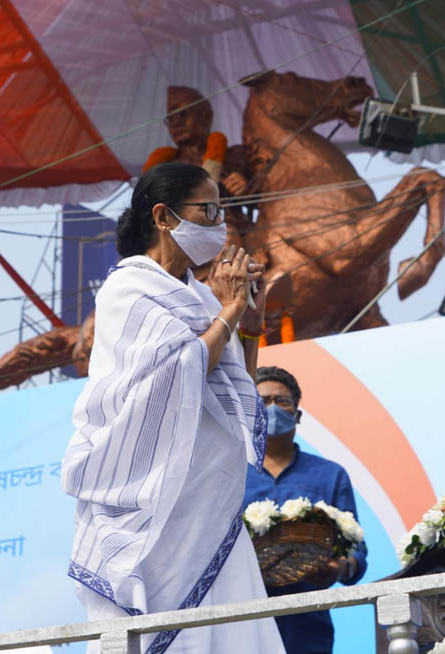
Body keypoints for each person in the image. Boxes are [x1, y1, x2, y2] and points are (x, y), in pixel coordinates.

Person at [61, 162, 284, 654]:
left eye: (220, 211)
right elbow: (177, 376)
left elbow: (233, 386)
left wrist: (250, 319)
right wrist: (227, 311)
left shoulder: (200, 293)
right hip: (154, 495)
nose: (218, 224)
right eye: (207, 210)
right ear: (163, 216)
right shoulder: (128, 289)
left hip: (206, 495)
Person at [243, 366, 368, 654]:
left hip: (308, 620)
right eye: (263, 401)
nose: (272, 408)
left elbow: (357, 550)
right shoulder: (232, 474)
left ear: (297, 415)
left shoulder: (330, 474)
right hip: (242, 620)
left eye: (282, 401)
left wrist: (341, 568)